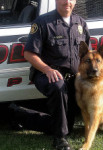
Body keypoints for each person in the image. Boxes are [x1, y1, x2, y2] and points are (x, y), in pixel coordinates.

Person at [9, 0, 91, 150]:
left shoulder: (80, 23)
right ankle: (60, 139)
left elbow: (87, 55)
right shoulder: (43, 22)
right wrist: (47, 70)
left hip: (72, 77)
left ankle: (19, 115)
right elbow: (29, 53)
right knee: (58, 86)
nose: (67, 2)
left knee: (67, 125)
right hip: (46, 74)